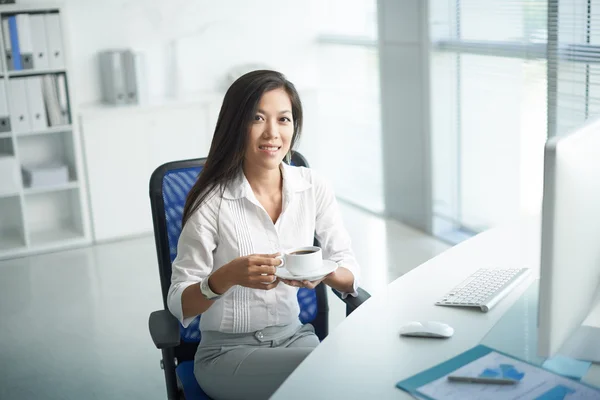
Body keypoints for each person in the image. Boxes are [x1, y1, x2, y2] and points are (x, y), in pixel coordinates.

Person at [167, 70, 360, 400]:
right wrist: (225, 277)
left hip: (296, 338)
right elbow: (178, 302)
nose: (273, 132)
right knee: (334, 378)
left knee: (336, 373)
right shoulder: (211, 201)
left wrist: (324, 272)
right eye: (258, 118)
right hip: (228, 356)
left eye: (284, 119)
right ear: (236, 125)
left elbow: (349, 270)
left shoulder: (313, 186)